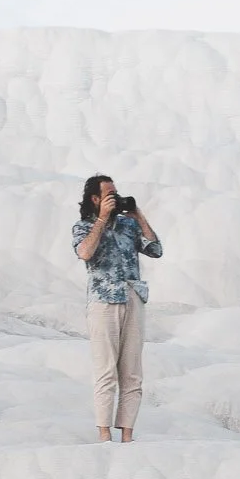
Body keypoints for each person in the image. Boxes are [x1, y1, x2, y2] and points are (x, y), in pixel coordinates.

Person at [74, 174, 163, 441]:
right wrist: (101, 219)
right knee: (105, 371)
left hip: (133, 296)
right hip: (103, 300)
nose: (115, 197)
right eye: (109, 193)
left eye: (116, 192)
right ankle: (104, 435)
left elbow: (156, 250)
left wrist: (138, 215)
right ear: (95, 198)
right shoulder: (83, 227)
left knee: (132, 372)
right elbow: (85, 253)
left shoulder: (128, 225)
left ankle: (127, 435)